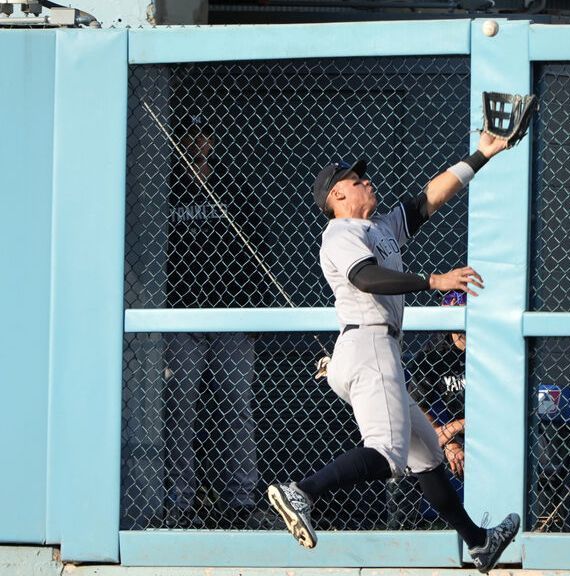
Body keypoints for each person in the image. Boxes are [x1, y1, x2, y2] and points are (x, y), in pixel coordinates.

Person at [266, 134, 519, 574]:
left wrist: (484, 152)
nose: (367, 181)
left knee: (427, 456)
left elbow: (427, 201)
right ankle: (300, 492)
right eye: (357, 180)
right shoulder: (339, 232)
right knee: (388, 455)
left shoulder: (378, 227)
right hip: (368, 344)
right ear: (337, 195)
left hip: (372, 348)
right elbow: (366, 279)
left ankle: (480, 544)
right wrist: (433, 281)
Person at [162, 119, 263, 529]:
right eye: (191, 143)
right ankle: (178, 502)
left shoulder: (232, 189)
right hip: (180, 314)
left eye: (206, 143)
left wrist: (255, 311)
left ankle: (242, 500)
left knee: (237, 407)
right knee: (178, 409)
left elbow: (256, 249)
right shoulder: (164, 189)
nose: (199, 152)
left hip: (229, 315)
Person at [409, 290, 469, 478]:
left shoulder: (494, 347)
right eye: (449, 299)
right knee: (407, 458)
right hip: (456, 436)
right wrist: (451, 441)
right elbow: (416, 405)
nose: (453, 304)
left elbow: (502, 414)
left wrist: (453, 428)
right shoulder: (434, 352)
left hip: (494, 432)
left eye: (461, 300)